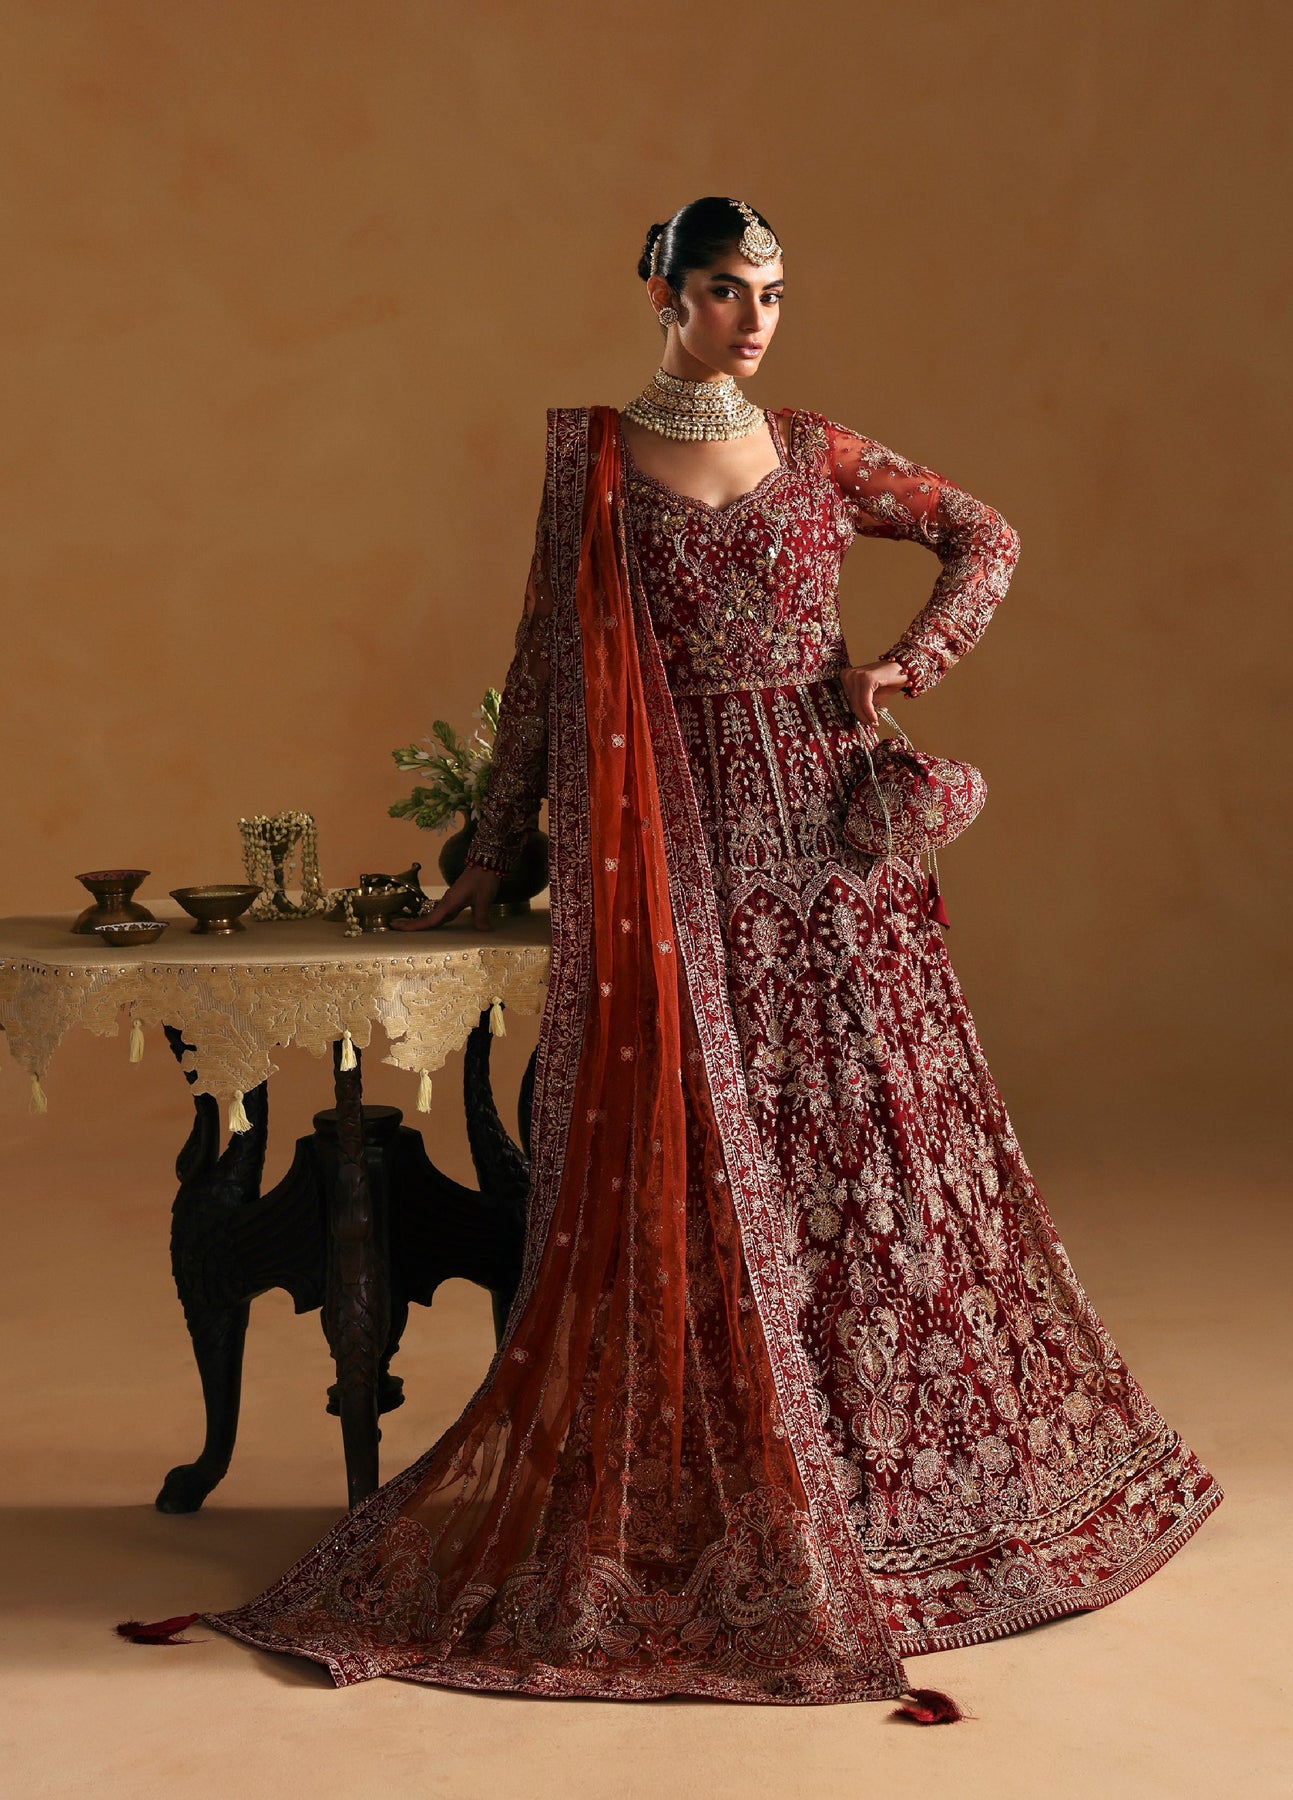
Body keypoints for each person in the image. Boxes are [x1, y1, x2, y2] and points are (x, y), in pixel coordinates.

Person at [182, 198, 1223, 1713]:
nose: (754, 320)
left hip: (823, 842)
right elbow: (547, 666)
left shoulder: (817, 451)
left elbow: (985, 537)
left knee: (866, 1145)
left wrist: (904, 666)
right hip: (673, 850)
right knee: (705, 1154)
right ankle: (735, 1465)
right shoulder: (597, 464)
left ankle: (888, 1472)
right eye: (727, 290)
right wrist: (485, 861)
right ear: (663, 295)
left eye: (773, 294)